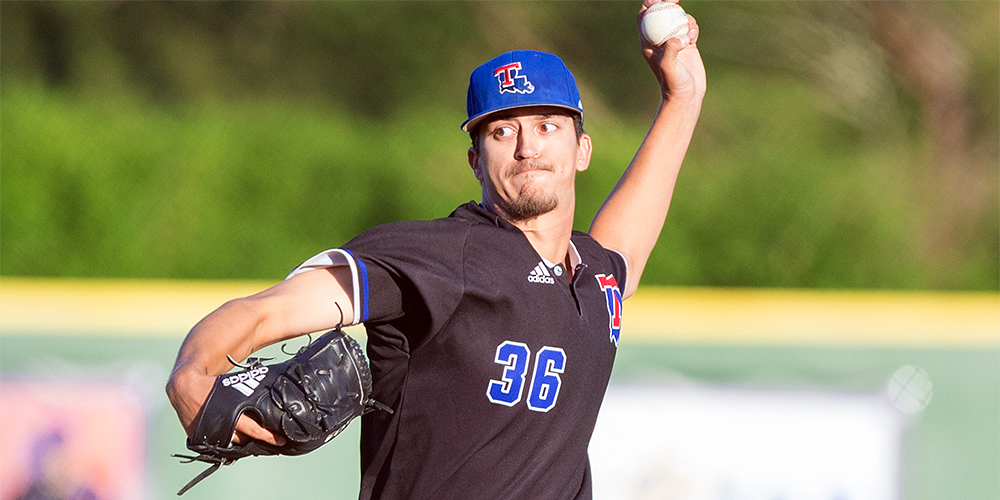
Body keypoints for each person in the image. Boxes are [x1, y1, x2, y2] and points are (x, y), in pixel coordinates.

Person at [166, 1, 705, 498]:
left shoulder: (594, 278)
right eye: (502, 131)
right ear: (474, 160)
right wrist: (193, 370)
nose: (527, 147)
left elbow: (624, 253)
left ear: (581, 149)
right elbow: (266, 311)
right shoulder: (432, 258)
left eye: (547, 125)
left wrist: (682, 97)